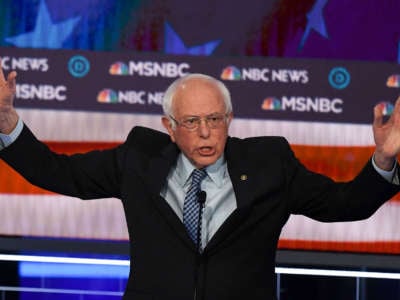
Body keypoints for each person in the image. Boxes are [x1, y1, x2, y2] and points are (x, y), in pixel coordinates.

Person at [0, 68, 399, 300]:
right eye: (192, 122)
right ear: (170, 128)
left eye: (215, 119)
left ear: (229, 119)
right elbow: (56, 172)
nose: (206, 133)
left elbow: (346, 204)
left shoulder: (269, 164)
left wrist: (383, 159)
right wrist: (5, 122)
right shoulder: (139, 159)